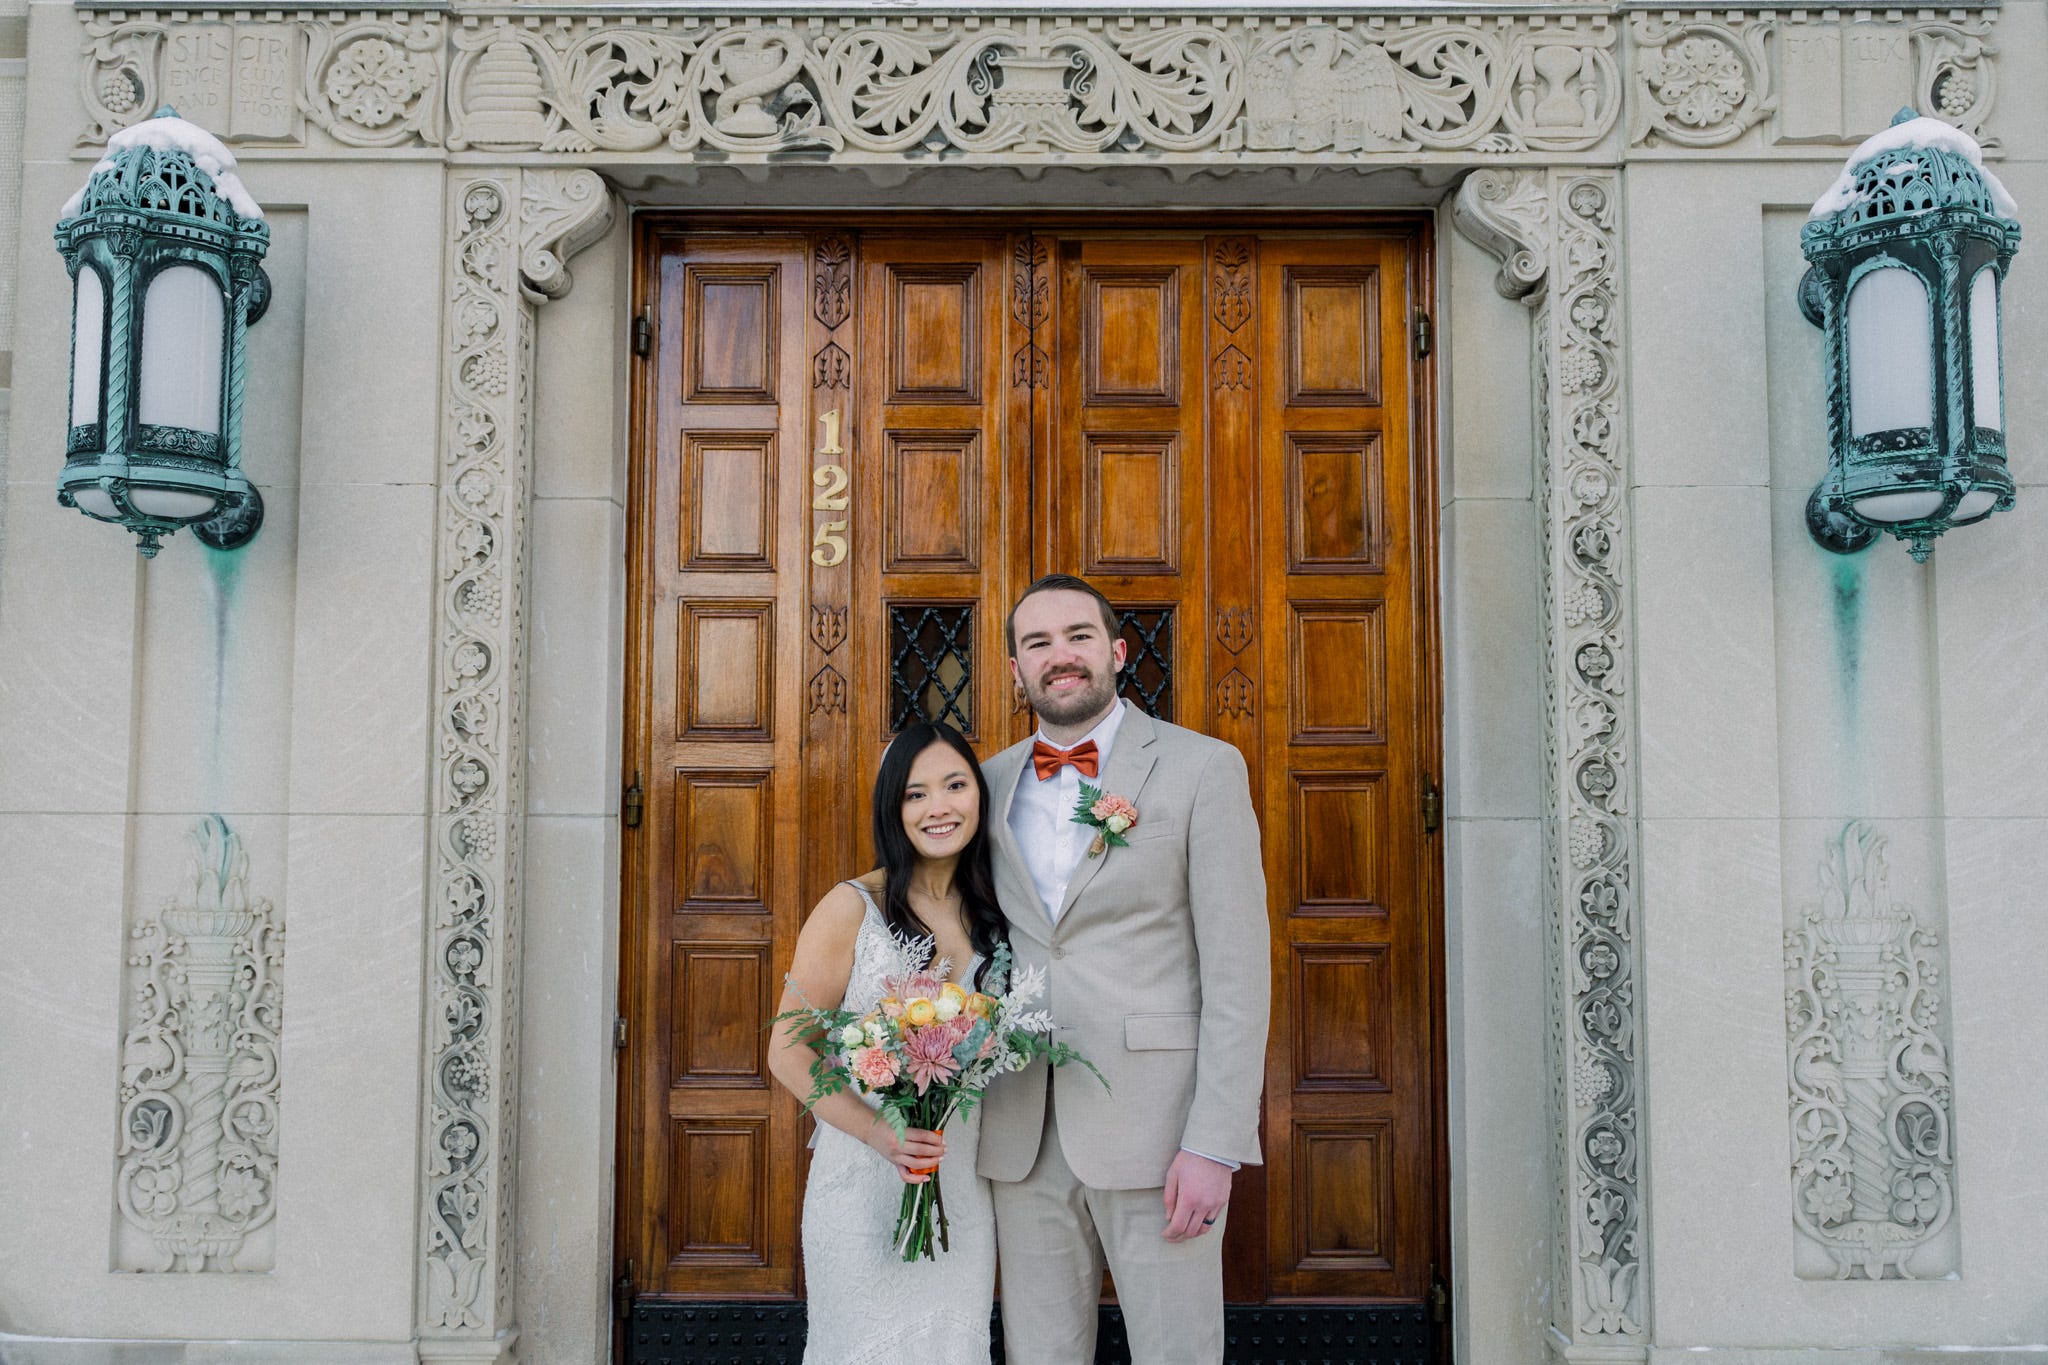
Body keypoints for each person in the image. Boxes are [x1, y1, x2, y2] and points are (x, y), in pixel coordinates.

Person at [977, 574, 1271, 1365]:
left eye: (1077, 636)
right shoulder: (988, 782)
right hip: (1021, 1132)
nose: (1059, 656)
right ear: (1015, 670)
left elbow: (1239, 972)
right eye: (1037, 643)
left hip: (1160, 1135)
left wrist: (1216, 1143)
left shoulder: (1202, 768)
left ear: (1115, 650)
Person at [769, 720, 1008, 1365]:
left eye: (955, 785)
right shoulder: (852, 906)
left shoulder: (997, 912)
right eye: (915, 793)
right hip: (863, 1181)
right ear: (892, 809)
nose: (939, 808)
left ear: (978, 796)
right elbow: (788, 1051)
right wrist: (881, 1134)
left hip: (958, 1183)